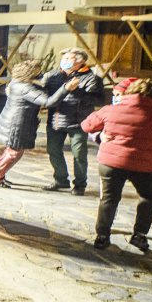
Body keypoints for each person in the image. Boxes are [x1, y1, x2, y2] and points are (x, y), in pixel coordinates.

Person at [82, 78, 152, 252]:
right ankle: (139, 235)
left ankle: (102, 236)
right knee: (148, 197)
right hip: (147, 166)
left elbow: (86, 125)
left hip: (112, 162)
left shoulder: (111, 110)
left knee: (109, 198)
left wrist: (99, 135)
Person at [0, 60, 77, 188]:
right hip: (17, 124)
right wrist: (66, 88)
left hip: (13, 120)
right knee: (14, 152)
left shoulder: (17, 82)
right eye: (37, 72)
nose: (40, 73)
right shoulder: (25, 88)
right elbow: (48, 102)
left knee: (12, 151)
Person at [42, 48, 103, 195]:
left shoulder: (91, 78)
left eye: (70, 58)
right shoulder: (53, 75)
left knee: (79, 155)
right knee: (53, 151)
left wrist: (76, 91)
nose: (66, 61)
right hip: (55, 120)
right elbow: (42, 91)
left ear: (81, 61)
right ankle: (61, 180)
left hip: (78, 122)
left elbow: (98, 99)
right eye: (65, 58)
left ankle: (80, 185)